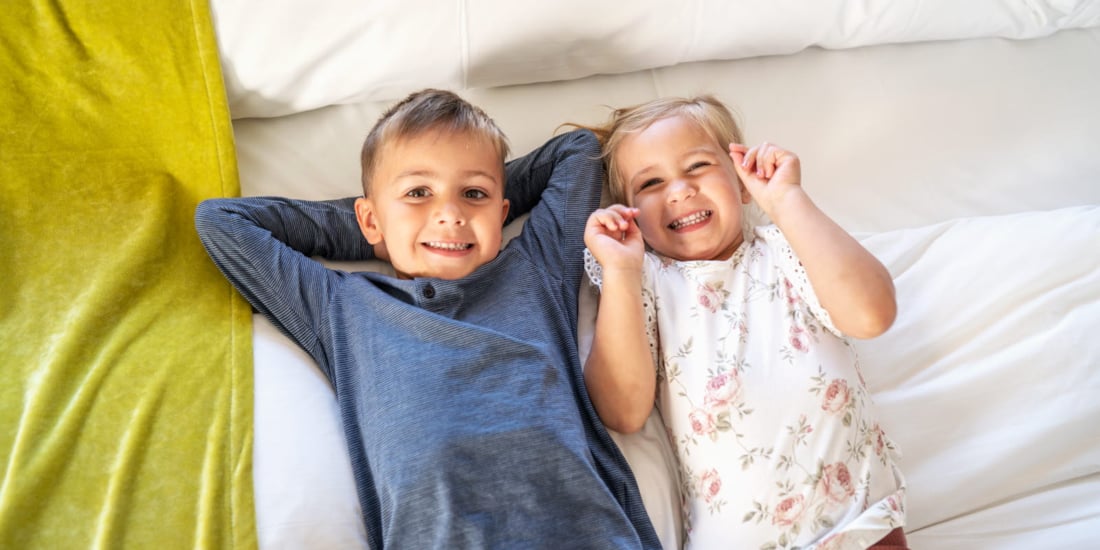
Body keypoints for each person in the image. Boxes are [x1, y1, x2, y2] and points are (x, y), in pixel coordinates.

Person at [195, 89, 661, 549]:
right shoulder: (341, 307)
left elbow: (575, 152)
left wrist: (439, 215)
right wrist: (379, 231)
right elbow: (223, 222)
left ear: (503, 212)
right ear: (370, 218)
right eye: (418, 192)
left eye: (473, 194)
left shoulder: (533, 272)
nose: (450, 214)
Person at [579, 96, 908, 549]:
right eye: (651, 182)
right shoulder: (645, 283)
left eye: (696, 167)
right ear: (629, 210)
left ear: (741, 179)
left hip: (857, 526)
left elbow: (872, 315)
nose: (678, 191)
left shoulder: (787, 249)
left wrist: (786, 199)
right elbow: (622, 411)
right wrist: (619, 271)